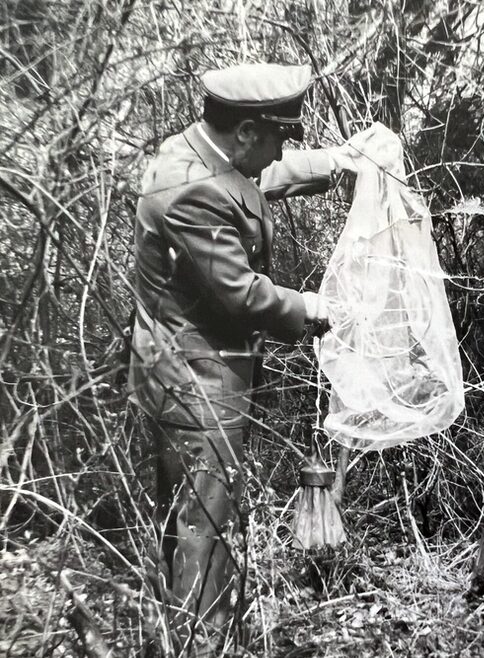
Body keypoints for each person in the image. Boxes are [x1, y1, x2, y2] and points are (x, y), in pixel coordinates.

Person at [127, 62, 360, 654]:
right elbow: (241, 293)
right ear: (249, 133)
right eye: (280, 136)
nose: (282, 150)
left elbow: (264, 178)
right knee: (201, 523)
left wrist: (342, 161)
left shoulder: (203, 151)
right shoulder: (192, 189)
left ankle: (179, 629)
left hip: (182, 367)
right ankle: (201, 642)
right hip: (194, 379)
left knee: (188, 517)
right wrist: (312, 307)